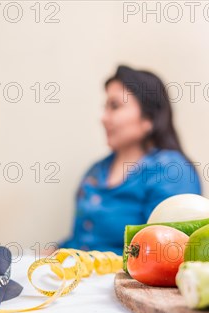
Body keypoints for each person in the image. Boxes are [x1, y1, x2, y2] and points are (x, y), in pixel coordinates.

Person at [58, 65, 201, 255]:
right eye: (105, 107)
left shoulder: (172, 171)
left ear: (148, 118)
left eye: (115, 106)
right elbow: (76, 241)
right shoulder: (95, 170)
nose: (103, 118)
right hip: (74, 278)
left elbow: (167, 252)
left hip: (122, 282)